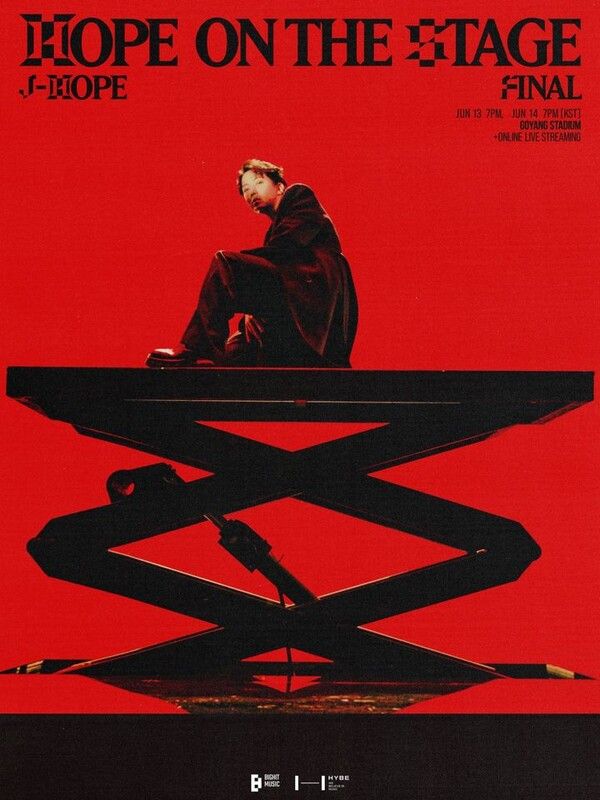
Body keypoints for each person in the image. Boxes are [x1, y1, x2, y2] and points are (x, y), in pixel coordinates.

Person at [146, 159, 358, 368]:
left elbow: (286, 247)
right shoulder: (273, 232)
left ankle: (197, 348)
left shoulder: (298, 196)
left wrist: (251, 299)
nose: (251, 193)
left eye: (258, 182)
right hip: (292, 304)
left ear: (280, 187)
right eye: (246, 190)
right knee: (235, 349)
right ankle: (208, 363)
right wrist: (253, 307)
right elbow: (276, 262)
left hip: (314, 295)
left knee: (225, 264)